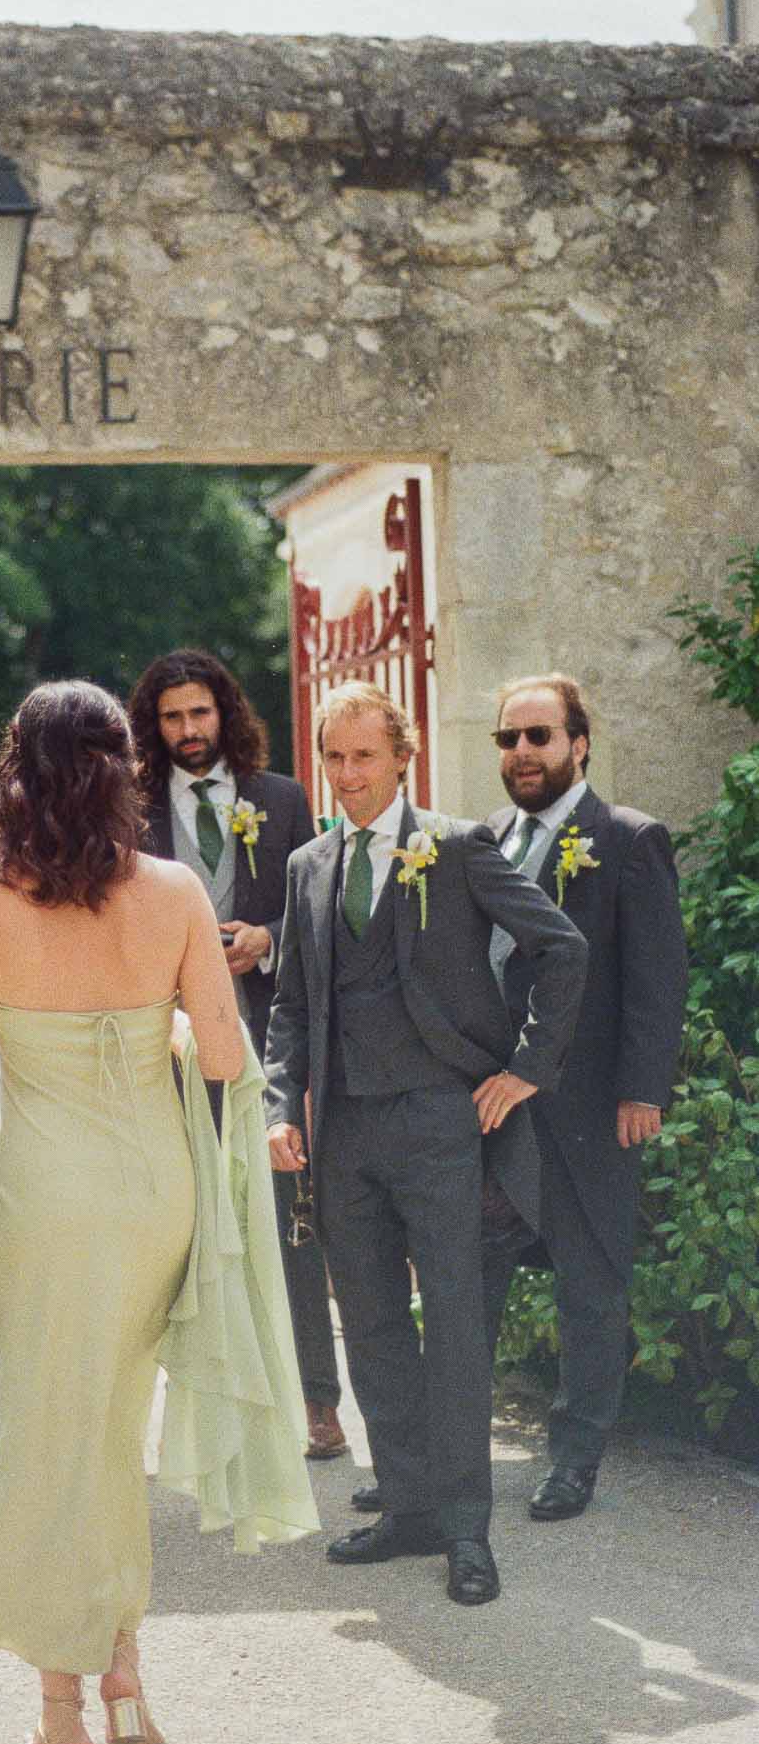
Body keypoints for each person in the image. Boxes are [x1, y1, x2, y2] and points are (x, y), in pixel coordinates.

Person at [0, 680, 310, 1744]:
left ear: (16, 774)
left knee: (45, 1445)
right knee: (108, 1433)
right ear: (122, 769)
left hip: (43, 1203)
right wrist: (171, 1020)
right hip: (154, 1200)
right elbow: (227, 1061)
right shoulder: (175, 890)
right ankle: (127, 1678)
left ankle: (63, 1723)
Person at [263, 681, 587, 1606]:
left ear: (403, 757)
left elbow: (561, 949)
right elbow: (291, 1009)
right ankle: (406, 1507)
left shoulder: (454, 847)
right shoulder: (308, 865)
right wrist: (284, 1105)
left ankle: (466, 1528)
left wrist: (527, 1068)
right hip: (347, 1133)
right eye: (334, 757)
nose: (349, 775)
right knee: (368, 1323)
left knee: (450, 1324)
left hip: (442, 1120)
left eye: (366, 756)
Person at [129, 648, 345, 1461]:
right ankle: (197, 1412)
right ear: (155, 726)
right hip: (165, 1040)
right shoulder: (130, 806)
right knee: (179, 1222)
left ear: (226, 715)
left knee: (289, 1220)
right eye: (173, 717)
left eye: (201, 714)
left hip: (268, 1035)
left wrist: (270, 937)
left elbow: (320, 920)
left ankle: (318, 1402)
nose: (189, 731)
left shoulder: (280, 799)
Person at [480, 673, 688, 1520]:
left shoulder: (629, 840)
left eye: (539, 736)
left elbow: (657, 977)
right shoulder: (485, 837)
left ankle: (575, 1461)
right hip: (493, 1104)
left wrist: (643, 1088)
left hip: (591, 1105)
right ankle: (443, 1452)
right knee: (474, 1272)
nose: (523, 753)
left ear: (580, 744)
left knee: (589, 1284)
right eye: (508, 739)